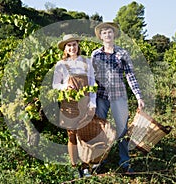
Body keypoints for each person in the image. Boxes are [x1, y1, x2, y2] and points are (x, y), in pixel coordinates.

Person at [91, 22, 145, 173]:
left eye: (110, 32)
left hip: (119, 96)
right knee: (101, 129)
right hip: (101, 96)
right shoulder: (95, 54)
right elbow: (91, 77)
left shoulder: (122, 53)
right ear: (100, 36)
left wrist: (138, 96)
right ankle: (99, 161)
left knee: (122, 129)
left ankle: (125, 163)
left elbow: (130, 76)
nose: (107, 35)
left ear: (114, 34)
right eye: (104, 33)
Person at [52, 34, 96, 177]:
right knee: (71, 135)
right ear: (65, 48)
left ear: (78, 46)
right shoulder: (61, 65)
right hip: (68, 104)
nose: (72, 48)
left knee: (84, 135)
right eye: (69, 45)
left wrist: (92, 103)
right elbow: (55, 85)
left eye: (74, 44)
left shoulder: (87, 62)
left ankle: (85, 166)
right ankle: (73, 165)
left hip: (85, 103)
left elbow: (92, 83)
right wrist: (65, 87)